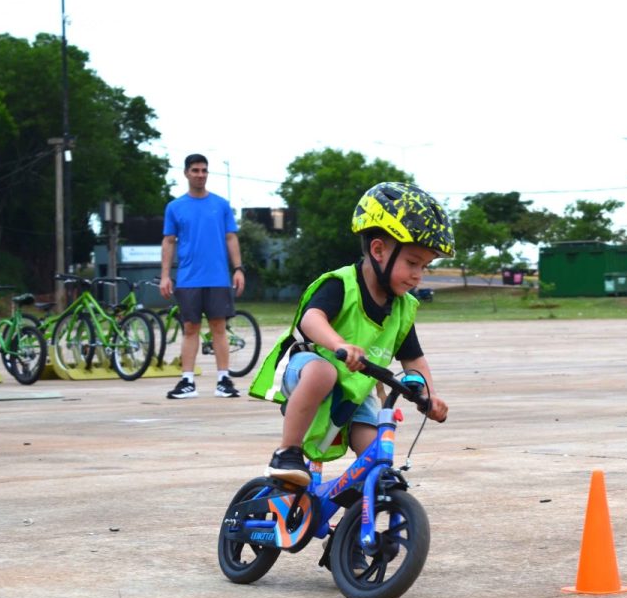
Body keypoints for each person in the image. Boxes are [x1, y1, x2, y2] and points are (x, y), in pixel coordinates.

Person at [249, 182, 451, 485]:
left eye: (425, 266)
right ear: (379, 250)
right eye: (412, 262)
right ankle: (287, 453)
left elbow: (414, 360)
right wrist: (339, 344)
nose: (417, 275)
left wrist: (429, 395)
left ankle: (363, 512)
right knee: (323, 371)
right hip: (307, 372)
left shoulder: (401, 308)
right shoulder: (342, 284)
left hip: (354, 392)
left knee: (377, 462)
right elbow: (311, 320)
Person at [160, 153, 246, 399]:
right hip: (188, 278)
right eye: (195, 170)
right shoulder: (175, 207)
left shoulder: (221, 205)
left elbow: (231, 237)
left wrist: (238, 268)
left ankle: (224, 380)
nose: (200, 175)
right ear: (186, 173)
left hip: (218, 277)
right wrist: (165, 276)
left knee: (219, 328)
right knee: (190, 328)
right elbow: (168, 241)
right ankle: (187, 381)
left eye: (204, 170)